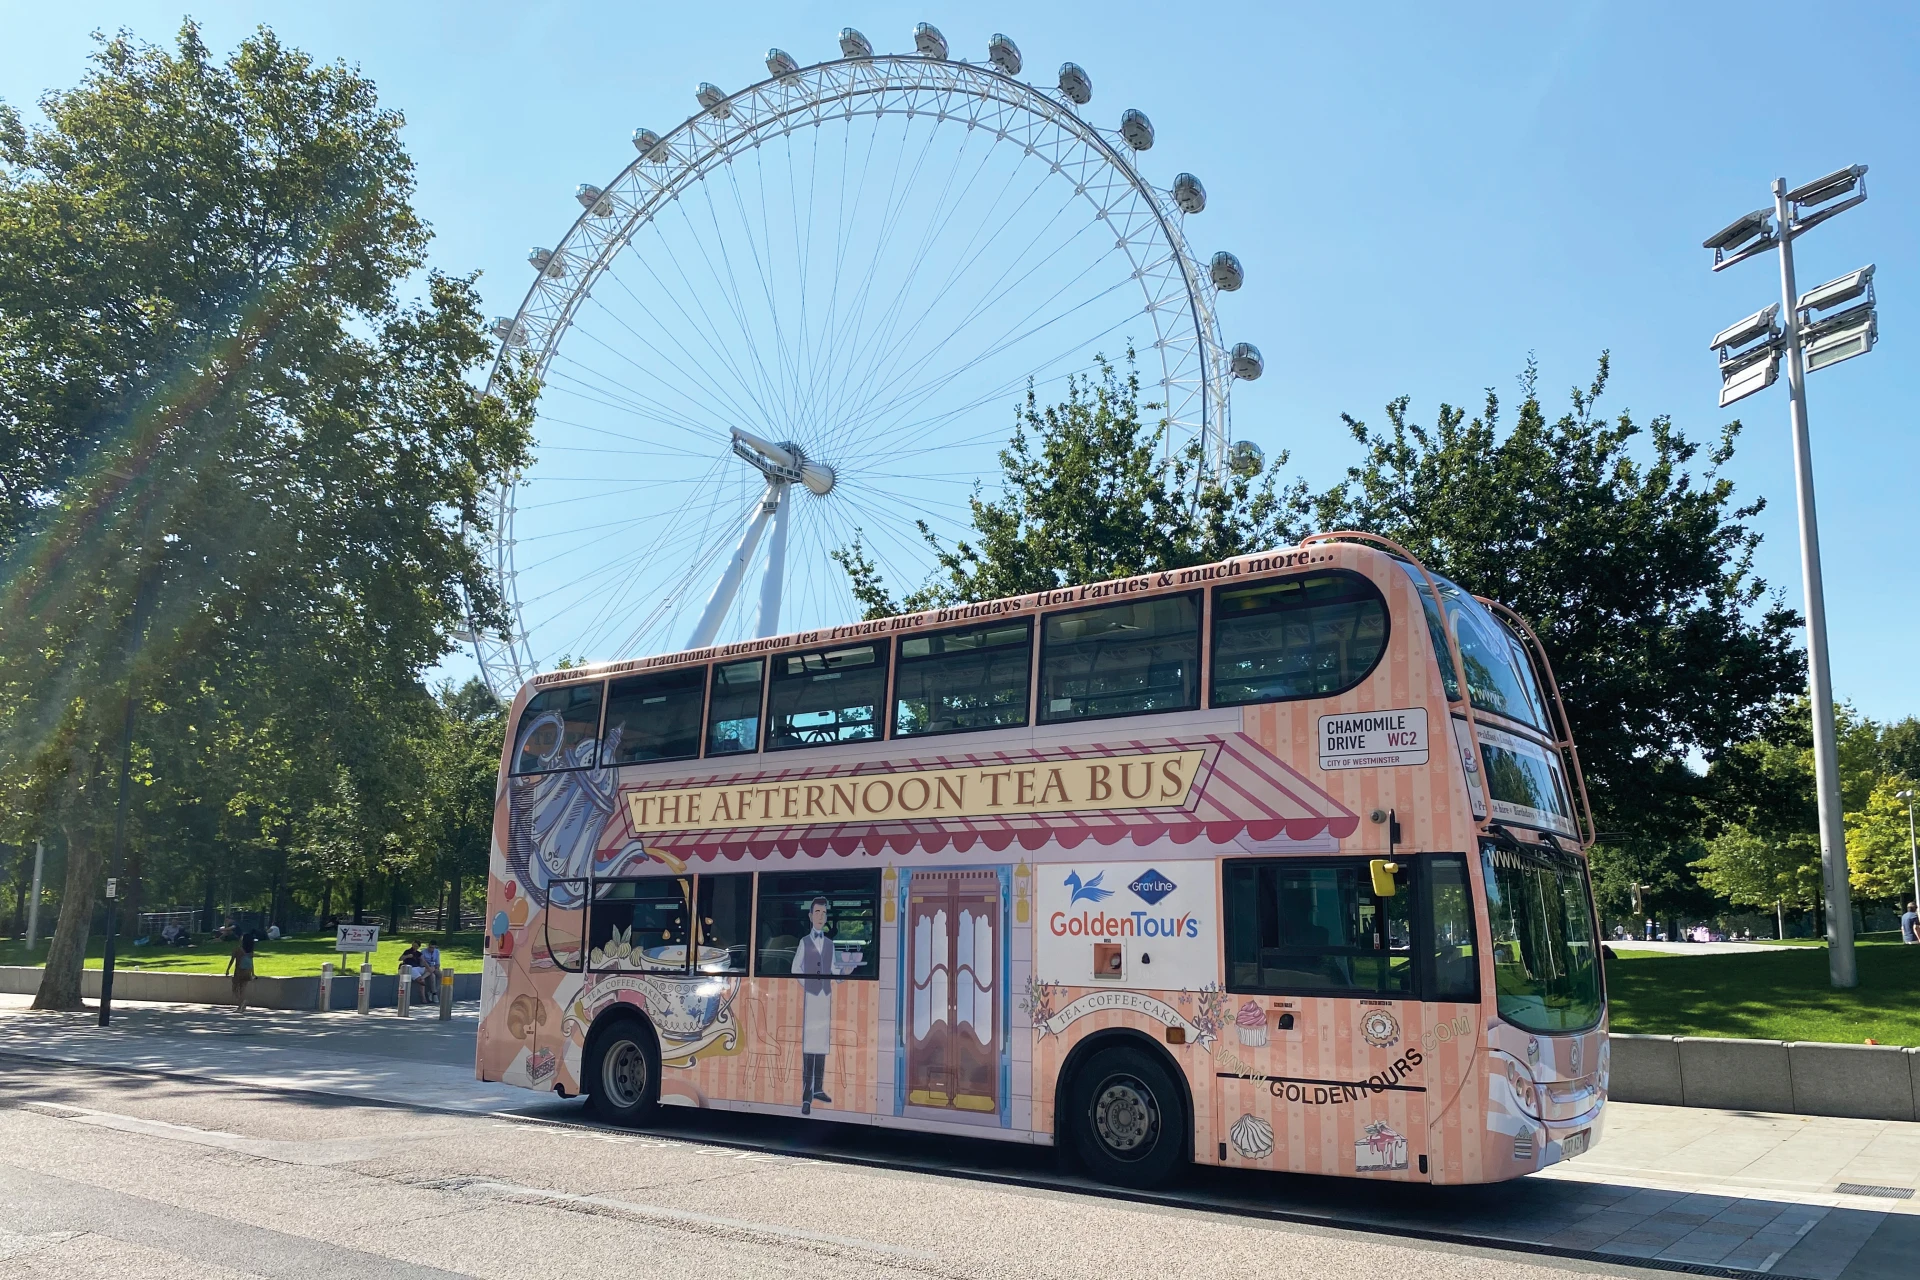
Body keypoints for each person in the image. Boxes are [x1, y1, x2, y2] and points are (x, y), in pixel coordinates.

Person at [790, 896, 839, 1115]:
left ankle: (818, 1088)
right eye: (817, 912)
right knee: (809, 1046)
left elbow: (835, 970)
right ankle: (806, 1094)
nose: (820, 916)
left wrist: (844, 973)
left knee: (821, 1045)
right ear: (810, 916)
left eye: (824, 913)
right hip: (812, 997)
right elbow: (795, 969)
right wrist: (808, 984)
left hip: (825, 998)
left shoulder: (830, 944)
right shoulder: (804, 942)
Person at [225, 932, 256, 1013]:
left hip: (239, 971)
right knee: (243, 989)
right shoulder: (251, 952)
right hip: (248, 971)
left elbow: (232, 960)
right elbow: (251, 963)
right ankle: (241, 1005)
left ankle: (241, 1003)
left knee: (235, 989)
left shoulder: (238, 949)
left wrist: (228, 969)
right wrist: (253, 973)